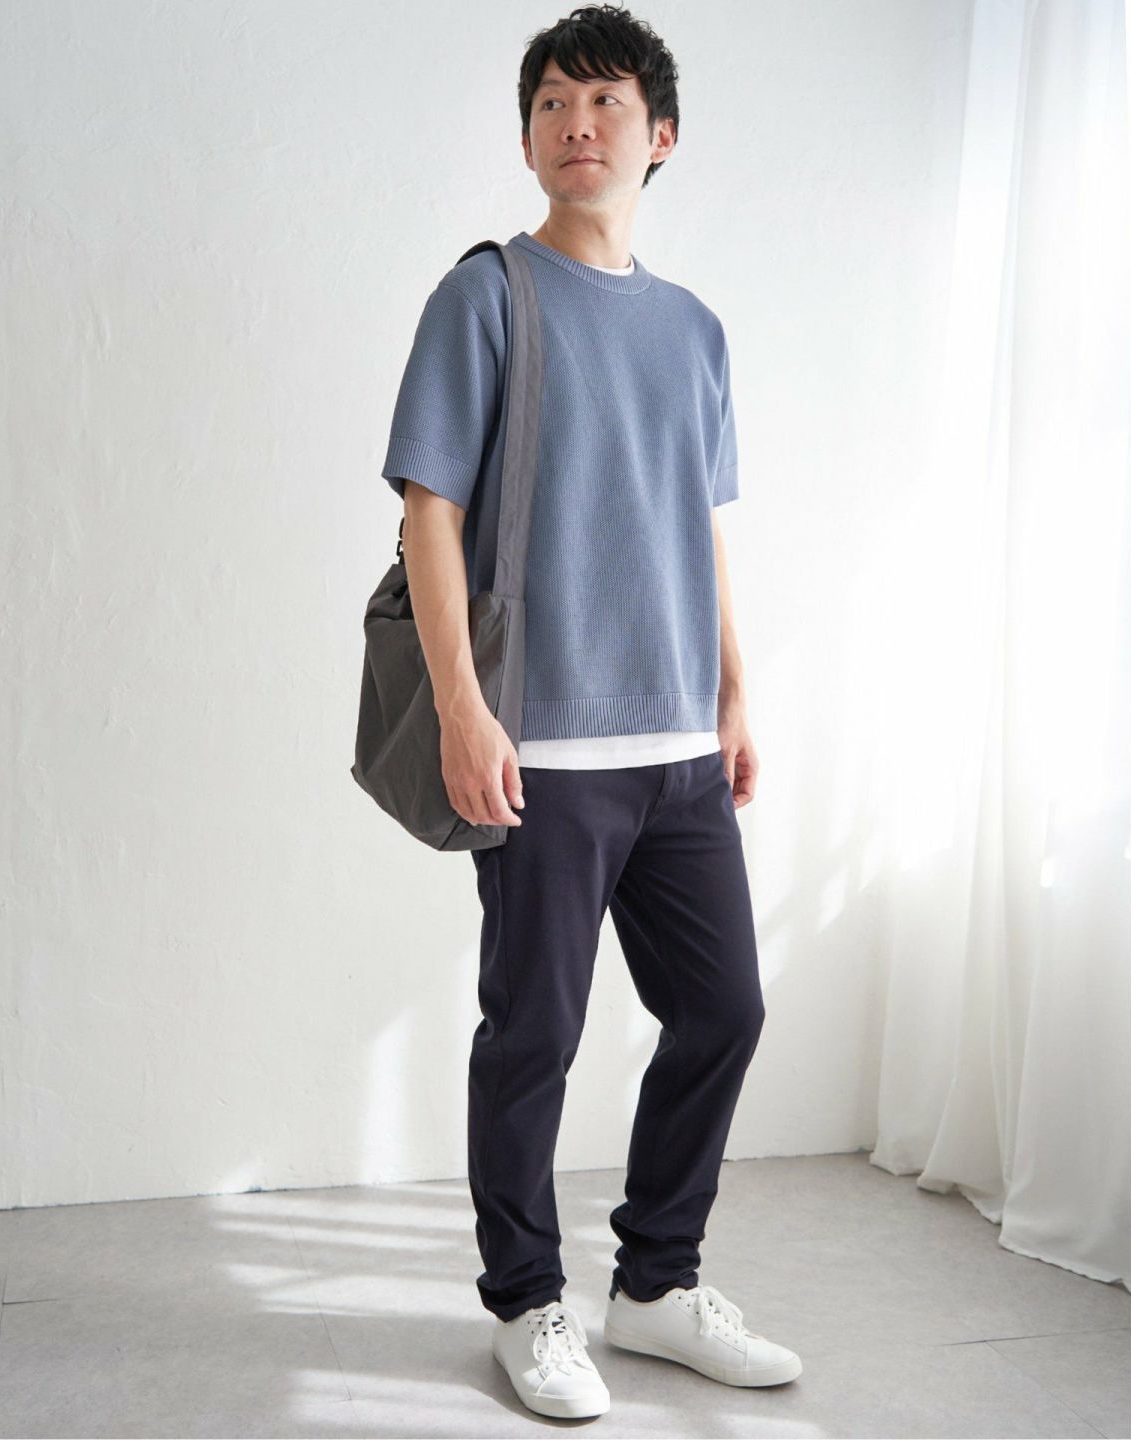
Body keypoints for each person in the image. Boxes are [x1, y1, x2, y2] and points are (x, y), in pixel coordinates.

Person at [379, 3, 802, 1420]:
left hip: (679, 749)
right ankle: (525, 1303)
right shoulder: (487, 295)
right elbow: (431, 512)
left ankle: (658, 1287)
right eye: (553, 103)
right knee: (534, 1038)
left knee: (724, 1009)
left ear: (659, 134)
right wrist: (462, 709)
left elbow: (701, 522)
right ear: (527, 139)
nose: (577, 123)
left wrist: (733, 691)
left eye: (606, 101)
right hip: (543, 745)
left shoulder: (695, 330)